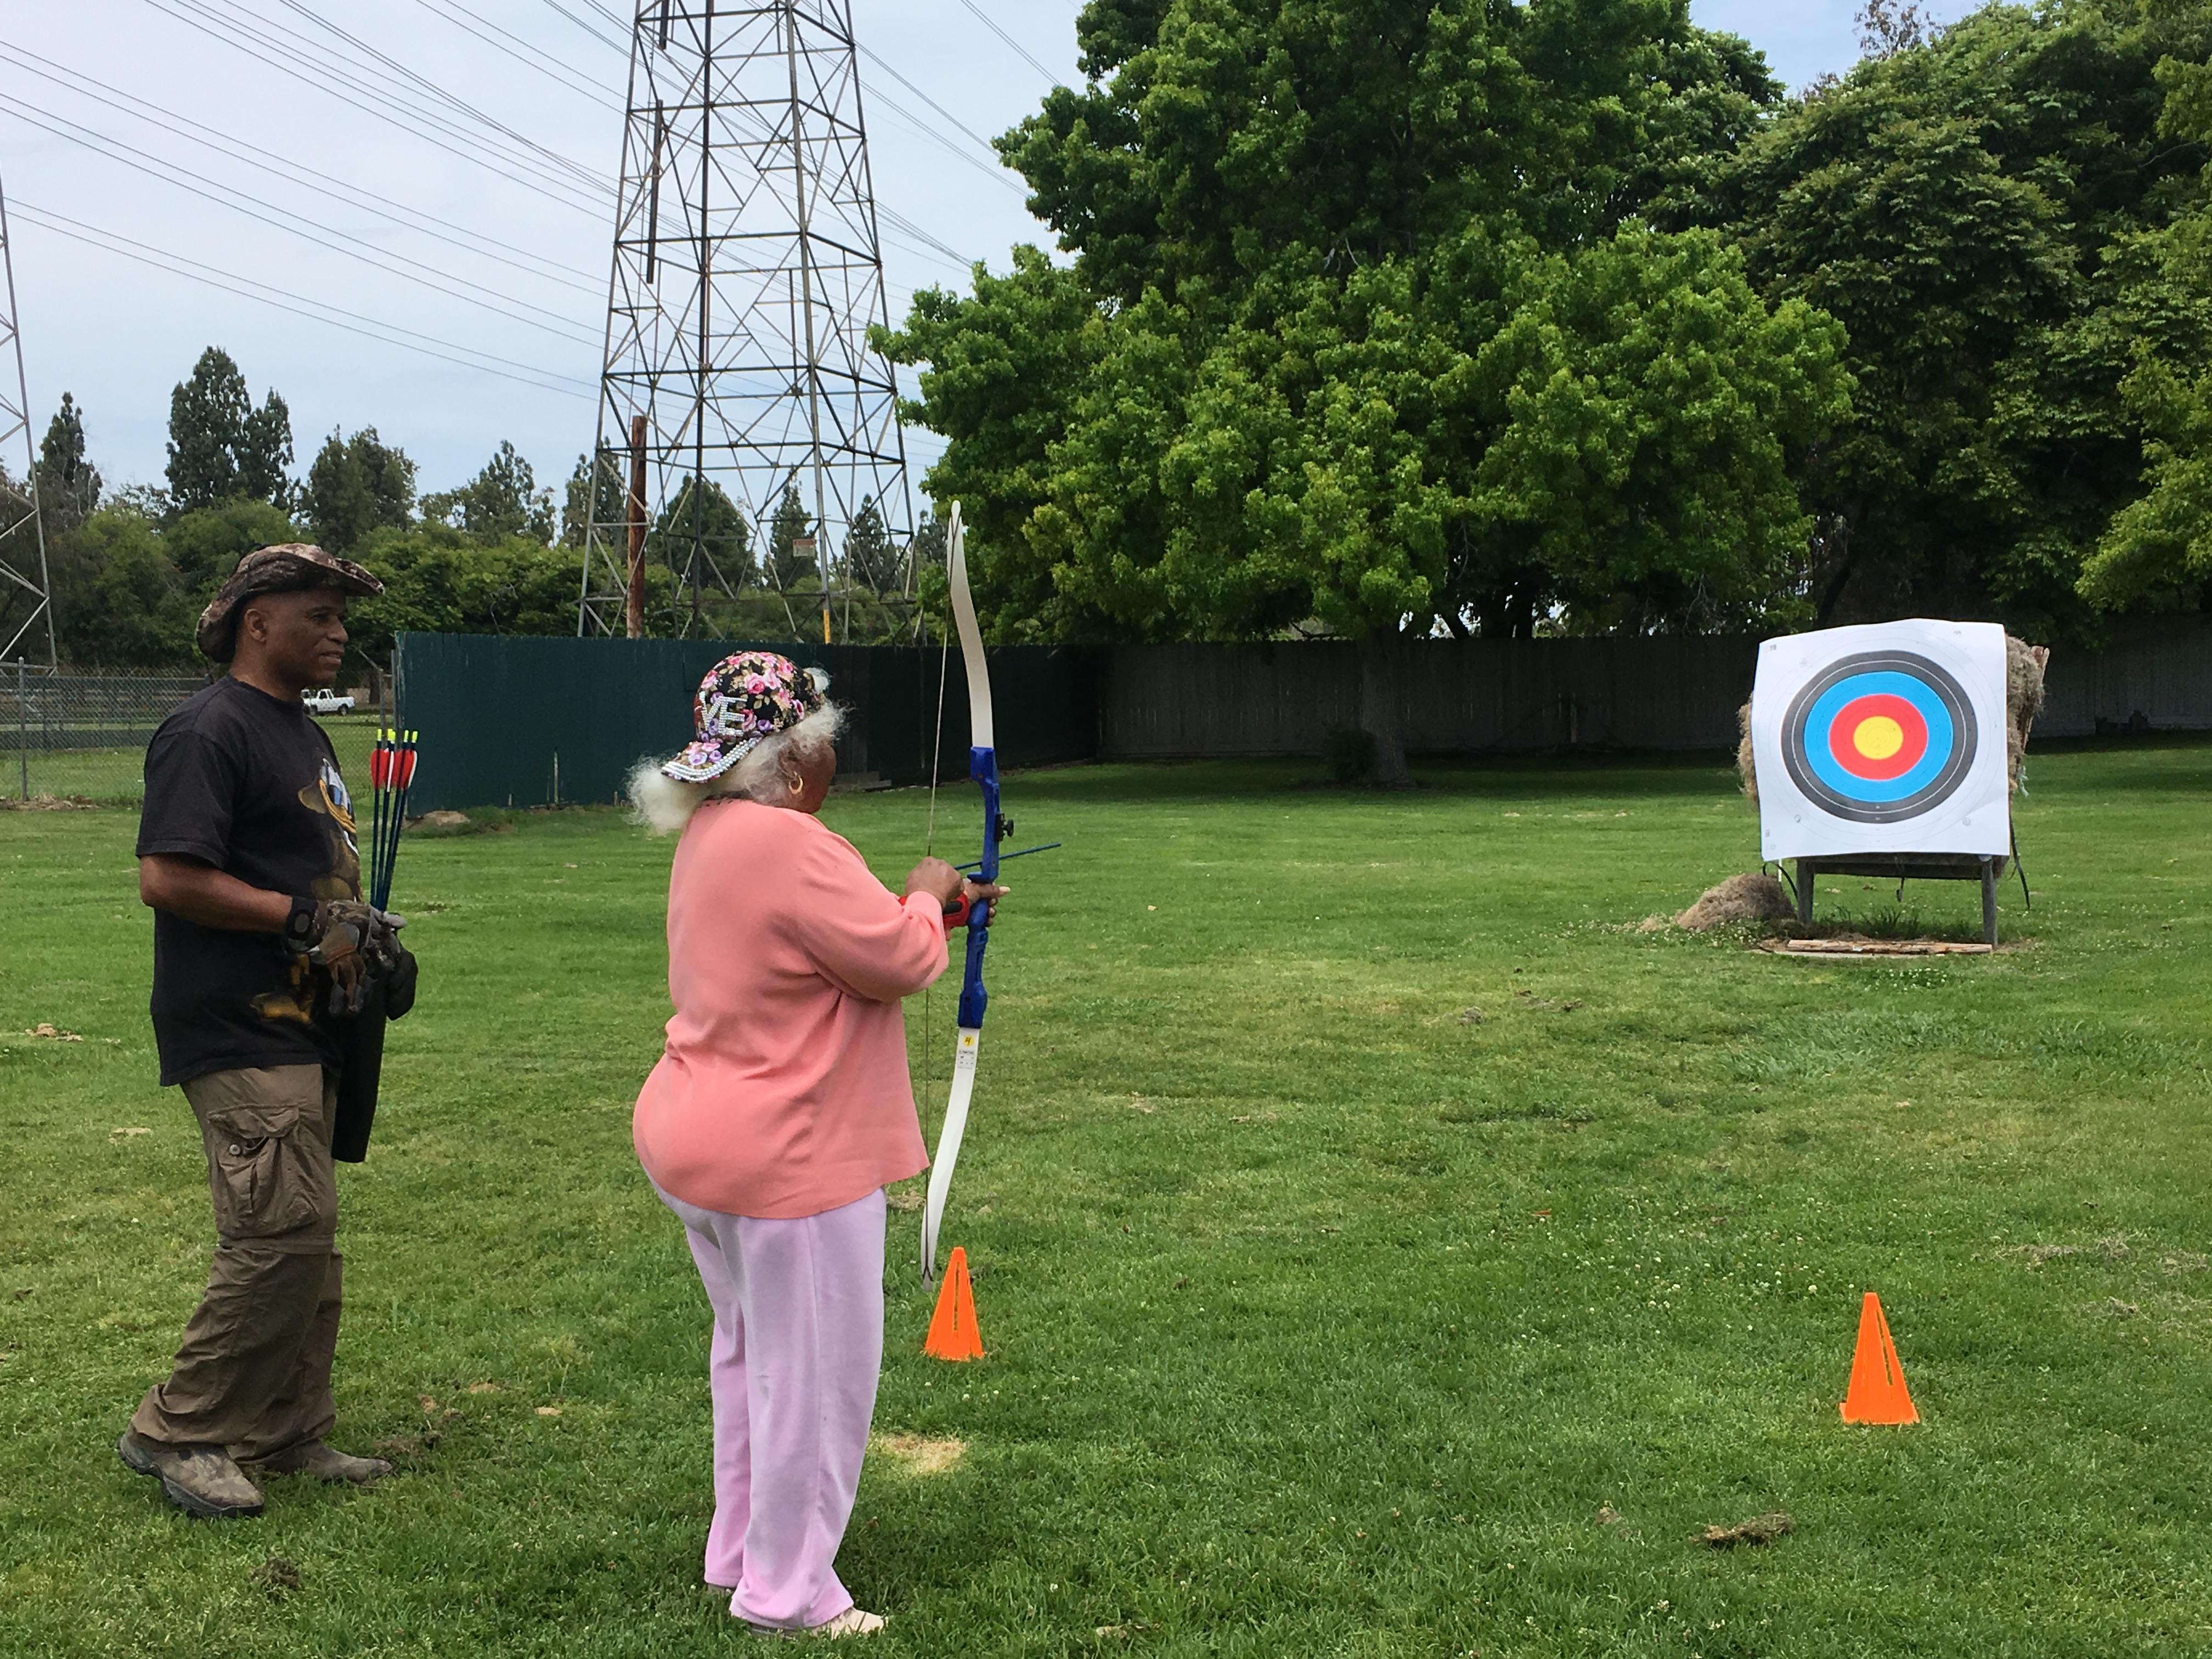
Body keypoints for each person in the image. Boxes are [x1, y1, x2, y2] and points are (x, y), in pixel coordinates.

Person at [628, 651, 1003, 1639]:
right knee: (817, 1380)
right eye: (823, 742)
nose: (834, 760)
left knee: (754, 1358)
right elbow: (898, 958)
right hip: (786, 1160)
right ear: (792, 765)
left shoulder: (717, 834)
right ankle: (788, 1592)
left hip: (702, 1143)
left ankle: (743, 1553)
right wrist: (927, 897)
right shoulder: (794, 844)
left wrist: (935, 905)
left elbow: (827, 944)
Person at [119, 544, 405, 1520]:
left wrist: (365, 944)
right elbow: (168, 875)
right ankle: (180, 1430)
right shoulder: (207, 731)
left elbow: (315, 877)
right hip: (239, 1026)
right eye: (319, 615)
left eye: (339, 618)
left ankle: (285, 1427)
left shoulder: (304, 735)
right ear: (256, 620)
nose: (338, 633)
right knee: (276, 1232)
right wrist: (299, 921)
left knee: (308, 1238)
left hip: (306, 1025)